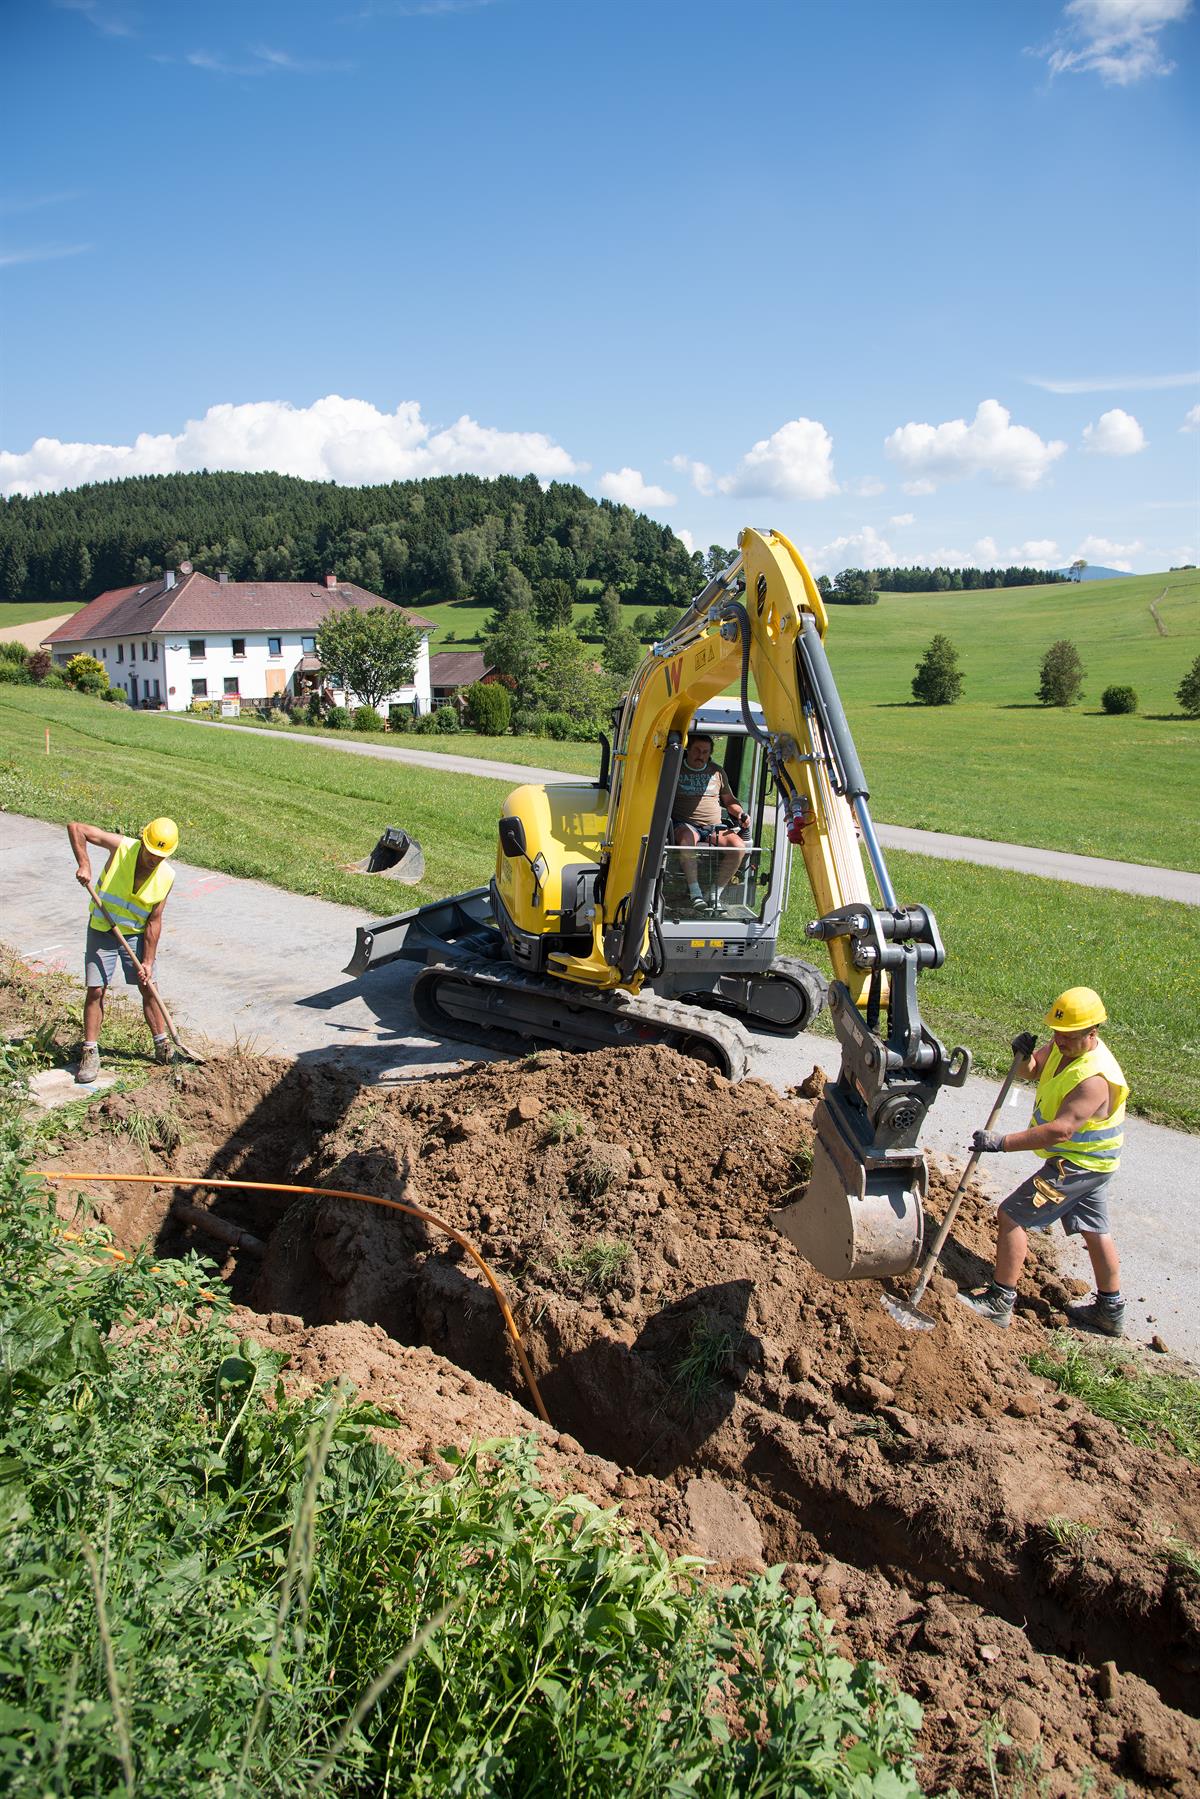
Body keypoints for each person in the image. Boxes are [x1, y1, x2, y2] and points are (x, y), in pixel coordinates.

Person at [958, 986, 1129, 1337]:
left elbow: (1061, 1131)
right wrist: (1022, 1056)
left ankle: (999, 1301)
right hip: (1092, 1164)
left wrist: (1000, 1143)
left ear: (1092, 1033)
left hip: (1078, 1165)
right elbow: (1032, 1069)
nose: (1059, 1040)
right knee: (1095, 1230)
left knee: (1012, 1215)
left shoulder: (1095, 1079)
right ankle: (1110, 1311)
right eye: (1056, 1032)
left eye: (1068, 1035)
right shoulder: (1063, 1044)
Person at [68, 817, 180, 1084]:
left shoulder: (166, 876)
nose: (154, 859)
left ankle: (162, 1043)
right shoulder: (122, 847)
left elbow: (154, 920)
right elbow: (77, 827)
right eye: (152, 852)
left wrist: (149, 961)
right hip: (102, 927)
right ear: (143, 841)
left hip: (135, 934)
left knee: (148, 986)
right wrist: (84, 863)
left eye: (161, 855)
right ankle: (91, 1050)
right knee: (96, 989)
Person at [670, 733, 750, 906]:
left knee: (739, 847)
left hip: (715, 826)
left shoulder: (717, 772)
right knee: (686, 840)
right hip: (686, 824)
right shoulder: (675, 770)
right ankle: (695, 893)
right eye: (697, 750)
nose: (701, 755)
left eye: (705, 752)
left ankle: (715, 894)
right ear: (688, 750)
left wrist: (741, 814)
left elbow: (729, 802)